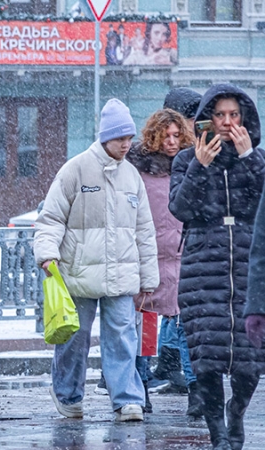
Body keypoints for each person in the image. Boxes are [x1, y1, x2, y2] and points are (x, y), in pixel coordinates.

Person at [34, 99, 158, 422]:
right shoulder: (74, 169)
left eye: (130, 138)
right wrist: (47, 255)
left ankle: (127, 399)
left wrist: (149, 280)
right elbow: (51, 218)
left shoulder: (132, 177)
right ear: (105, 137)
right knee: (75, 339)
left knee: (122, 337)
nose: (127, 145)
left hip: (121, 275)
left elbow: (144, 231)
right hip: (78, 273)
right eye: (121, 139)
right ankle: (67, 395)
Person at [169, 84, 265, 450]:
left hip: (245, 264)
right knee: (206, 357)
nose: (227, 123)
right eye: (220, 115)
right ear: (207, 118)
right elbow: (180, 209)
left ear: (244, 119)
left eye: (234, 115)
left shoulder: (257, 159)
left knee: (248, 360)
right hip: (201, 267)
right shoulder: (185, 161)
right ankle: (218, 433)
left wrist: (250, 158)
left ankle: (236, 413)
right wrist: (199, 165)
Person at [124, 108, 195, 414]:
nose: (171, 142)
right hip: (148, 258)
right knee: (145, 329)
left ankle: (198, 393)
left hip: (184, 256)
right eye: (165, 135)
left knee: (189, 329)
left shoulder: (194, 166)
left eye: (177, 135)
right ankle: (141, 388)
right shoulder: (138, 170)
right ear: (153, 136)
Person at [146, 88, 203, 411]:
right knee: (149, 318)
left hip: (184, 249)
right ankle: (141, 385)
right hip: (155, 250)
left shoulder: (196, 156)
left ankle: (195, 387)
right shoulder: (146, 164)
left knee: (184, 319)